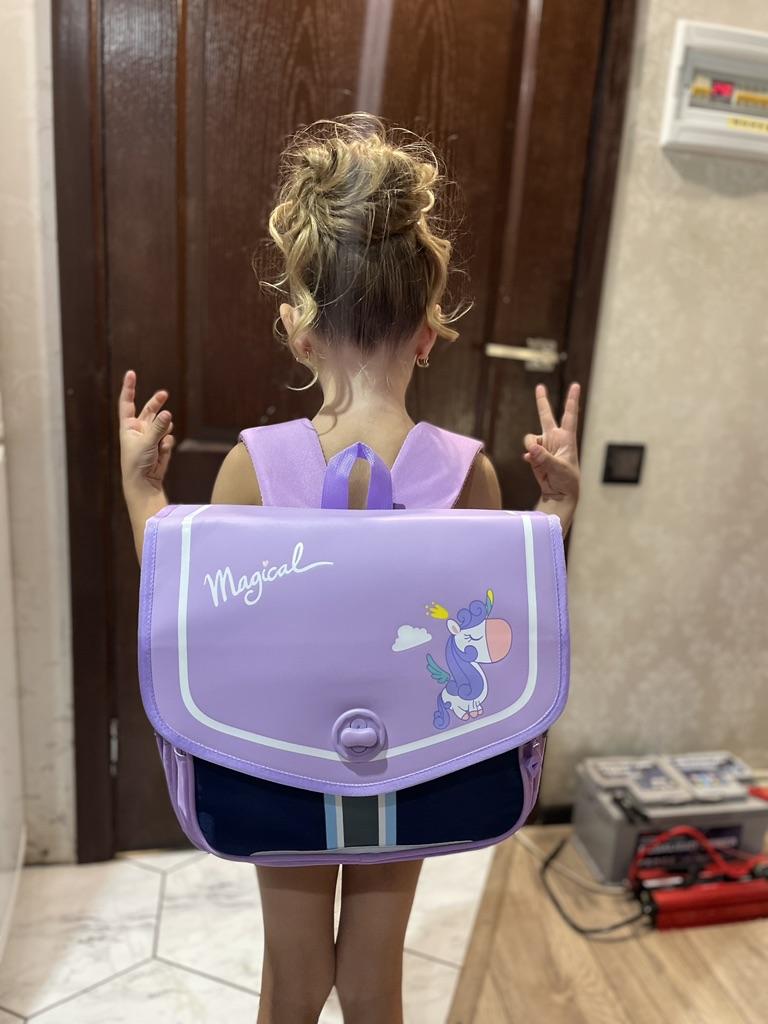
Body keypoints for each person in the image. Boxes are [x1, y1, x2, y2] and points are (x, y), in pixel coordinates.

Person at [118, 112, 581, 1024]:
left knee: (292, 982)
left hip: (278, 762)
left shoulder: (255, 464)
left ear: (297, 331)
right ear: (429, 332)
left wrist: (144, 491)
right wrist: (556, 513)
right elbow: (499, 623)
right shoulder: (468, 473)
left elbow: (191, 611)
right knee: (374, 980)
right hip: (413, 766)